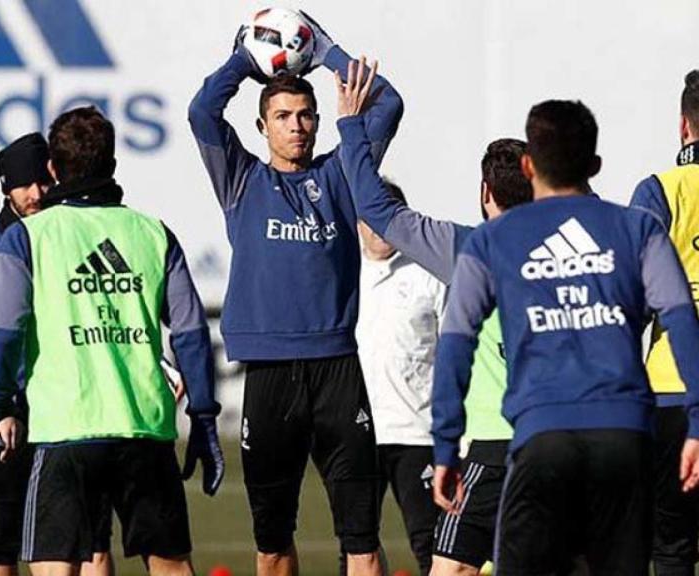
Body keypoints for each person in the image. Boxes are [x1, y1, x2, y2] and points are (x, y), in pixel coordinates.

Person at [432, 100, 699, 573]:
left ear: (529, 165)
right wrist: (697, 422)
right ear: (594, 165)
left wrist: (447, 443)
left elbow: (456, 340)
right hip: (624, 437)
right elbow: (681, 321)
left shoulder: (492, 240)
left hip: (541, 437)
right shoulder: (637, 228)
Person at [187, 11, 402, 575]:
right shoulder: (241, 181)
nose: (298, 126)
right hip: (270, 374)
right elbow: (202, 113)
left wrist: (327, 50)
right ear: (263, 128)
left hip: (337, 371)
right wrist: (246, 60)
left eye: (307, 115)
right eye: (283, 116)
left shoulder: (341, 176)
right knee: (272, 542)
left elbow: (389, 104)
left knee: (362, 540)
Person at [0, 106, 223, 576]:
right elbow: (191, 333)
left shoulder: (28, 237)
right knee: (172, 568)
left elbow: (3, 333)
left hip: (64, 430)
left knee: (57, 568)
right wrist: (205, 417)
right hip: (145, 429)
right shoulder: (153, 233)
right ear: (113, 163)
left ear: (52, 169)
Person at [353, 137, 532, 574]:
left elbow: (379, 211)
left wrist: (352, 125)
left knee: (451, 566)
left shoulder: (469, 248)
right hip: (563, 436)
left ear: (485, 193)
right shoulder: (571, 251)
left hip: (494, 441)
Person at [0, 132, 116, 576]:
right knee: (2, 544)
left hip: (72, 404)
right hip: (9, 413)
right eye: (24, 184)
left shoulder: (73, 233)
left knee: (93, 541)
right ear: (5, 188)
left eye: (42, 182)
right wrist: (1, 407)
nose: (36, 194)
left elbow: (105, 309)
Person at [356, 180, 446, 575]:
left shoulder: (430, 274)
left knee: (434, 546)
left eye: (387, 218)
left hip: (418, 434)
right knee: (357, 547)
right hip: (356, 436)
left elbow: (457, 353)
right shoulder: (341, 274)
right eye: (369, 218)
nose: (378, 229)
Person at [630, 69, 699, 576]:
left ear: (683, 127)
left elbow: (632, 289)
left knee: (671, 544)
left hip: (671, 386)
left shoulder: (660, 190)